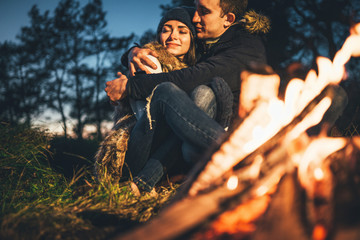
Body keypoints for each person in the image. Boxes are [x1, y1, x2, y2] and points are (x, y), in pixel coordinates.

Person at [105, 0, 271, 194]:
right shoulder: (210, 44)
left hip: (205, 142)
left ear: (228, 19)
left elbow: (194, 76)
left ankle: (239, 156)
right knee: (178, 93)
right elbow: (173, 34)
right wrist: (131, 53)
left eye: (203, 12)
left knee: (194, 93)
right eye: (166, 30)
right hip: (151, 147)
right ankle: (146, 181)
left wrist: (129, 87)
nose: (195, 17)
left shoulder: (244, 47)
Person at [96, 7, 217, 190]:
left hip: (164, 154)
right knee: (174, 105)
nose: (173, 36)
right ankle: (143, 183)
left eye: (182, 31)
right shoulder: (148, 61)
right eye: (166, 29)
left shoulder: (192, 70)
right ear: (159, 34)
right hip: (137, 147)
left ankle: (162, 181)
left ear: (192, 38)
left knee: (202, 97)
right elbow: (148, 118)